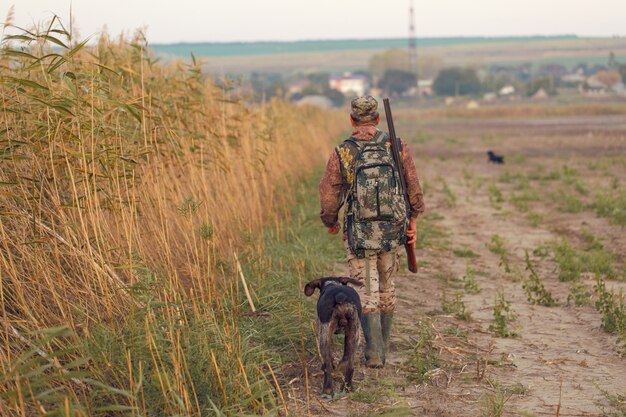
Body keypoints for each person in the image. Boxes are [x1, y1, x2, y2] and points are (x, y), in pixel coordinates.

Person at [319, 96, 425, 368]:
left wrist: (330, 221)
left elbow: (330, 196)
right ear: (377, 119)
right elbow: (413, 188)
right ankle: (382, 350)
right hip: (392, 233)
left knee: (367, 291)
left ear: (352, 120)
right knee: (388, 287)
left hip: (360, 236)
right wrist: (412, 222)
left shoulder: (343, 152)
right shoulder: (397, 146)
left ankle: (374, 354)